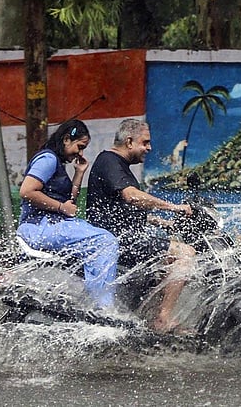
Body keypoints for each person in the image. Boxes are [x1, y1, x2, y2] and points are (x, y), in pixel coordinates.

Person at [86, 118, 195, 333]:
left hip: (125, 237)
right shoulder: (109, 161)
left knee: (166, 261)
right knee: (185, 255)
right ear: (129, 142)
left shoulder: (120, 167)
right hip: (118, 241)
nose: (149, 148)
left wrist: (163, 223)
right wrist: (173, 207)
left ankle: (144, 318)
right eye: (145, 142)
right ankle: (162, 320)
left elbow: (121, 211)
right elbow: (131, 197)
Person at [17, 119, 118, 308]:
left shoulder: (57, 163)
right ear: (66, 140)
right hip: (39, 227)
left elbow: (68, 202)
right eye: (79, 147)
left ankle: (90, 300)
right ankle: (102, 307)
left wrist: (79, 173)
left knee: (100, 236)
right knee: (105, 241)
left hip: (51, 225)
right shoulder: (47, 160)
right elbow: (27, 191)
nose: (80, 153)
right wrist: (61, 208)